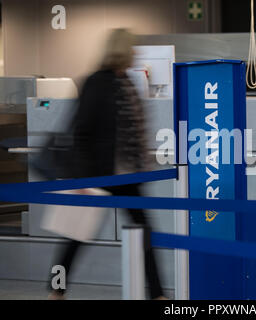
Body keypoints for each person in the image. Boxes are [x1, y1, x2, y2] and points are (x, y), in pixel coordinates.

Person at [44, 28, 165, 300]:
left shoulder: (127, 83)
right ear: (122, 50)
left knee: (144, 233)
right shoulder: (96, 83)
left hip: (127, 176)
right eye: (132, 48)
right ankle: (56, 289)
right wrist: (84, 181)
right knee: (76, 235)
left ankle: (157, 294)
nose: (136, 53)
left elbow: (133, 129)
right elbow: (82, 132)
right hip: (100, 175)